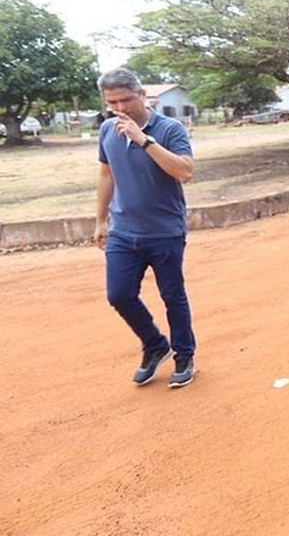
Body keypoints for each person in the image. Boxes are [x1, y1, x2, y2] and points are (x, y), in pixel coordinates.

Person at [94, 68, 198, 389]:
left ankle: (184, 354)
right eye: (113, 102)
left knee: (172, 295)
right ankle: (155, 345)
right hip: (123, 230)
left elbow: (184, 172)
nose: (120, 108)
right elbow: (106, 176)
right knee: (119, 294)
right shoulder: (107, 130)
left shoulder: (169, 129)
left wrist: (143, 140)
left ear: (142, 95)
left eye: (126, 99)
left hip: (164, 230)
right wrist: (100, 220)